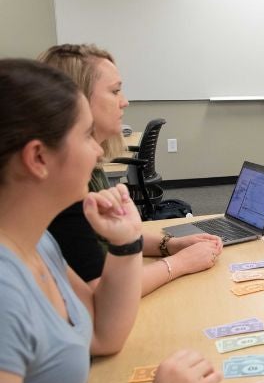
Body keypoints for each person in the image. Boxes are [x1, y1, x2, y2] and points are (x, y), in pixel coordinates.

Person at [0, 59, 220, 383]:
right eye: (86, 136)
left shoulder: (37, 243)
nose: (98, 149)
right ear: (38, 159)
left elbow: (103, 336)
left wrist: (126, 244)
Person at [38, 44, 223, 296]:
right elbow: (102, 293)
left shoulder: (89, 166)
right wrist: (178, 264)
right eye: (115, 91)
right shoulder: (63, 184)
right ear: (77, 98)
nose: (124, 102)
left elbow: (104, 238)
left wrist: (170, 244)